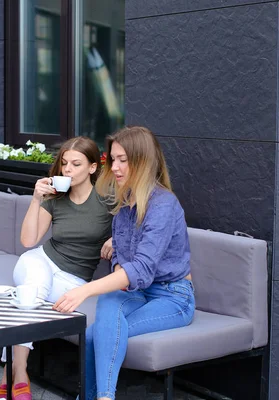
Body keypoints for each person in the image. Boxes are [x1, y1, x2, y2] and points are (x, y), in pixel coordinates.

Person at [53, 126, 195, 400]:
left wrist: (84, 290)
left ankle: (102, 397)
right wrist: (118, 269)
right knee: (106, 305)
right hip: (138, 292)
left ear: (142, 162)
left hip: (173, 297)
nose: (115, 167)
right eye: (113, 159)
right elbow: (122, 255)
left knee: (98, 330)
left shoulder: (163, 204)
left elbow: (141, 267)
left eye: (123, 160)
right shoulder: (125, 201)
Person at [0, 137, 113, 400]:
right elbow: (28, 241)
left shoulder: (107, 199)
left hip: (74, 280)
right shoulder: (55, 197)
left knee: (30, 296)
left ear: (93, 168)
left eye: (76, 164)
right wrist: (36, 199)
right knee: (34, 288)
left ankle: (8, 372)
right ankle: (21, 372)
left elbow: (135, 223)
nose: (67, 170)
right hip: (39, 261)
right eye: (64, 164)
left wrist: (115, 237)